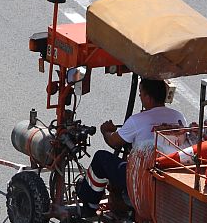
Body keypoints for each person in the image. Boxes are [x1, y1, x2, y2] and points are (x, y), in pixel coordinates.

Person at [76, 78, 186, 215]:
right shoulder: (178, 116)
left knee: (100, 157)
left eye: (140, 93)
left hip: (142, 176)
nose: (139, 96)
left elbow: (114, 142)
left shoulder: (138, 120)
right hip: (171, 170)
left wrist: (106, 131)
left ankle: (90, 205)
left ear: (147, 97)